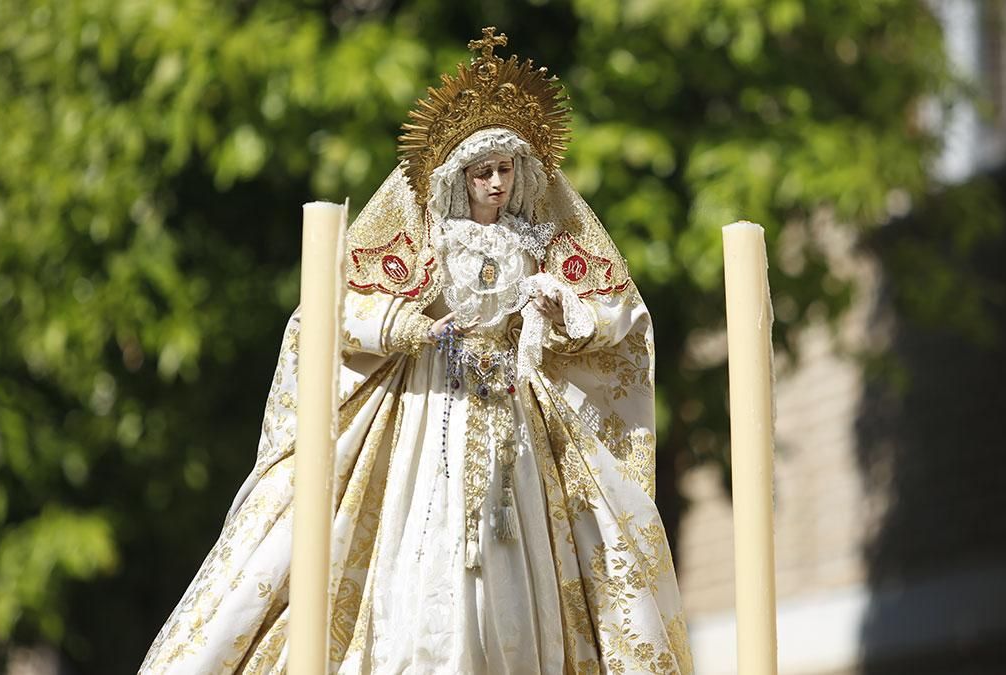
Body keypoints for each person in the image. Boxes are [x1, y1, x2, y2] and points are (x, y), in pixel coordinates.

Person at [141, 27, 693, 674]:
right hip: (434, 399)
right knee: (431, 534)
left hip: (513, 403)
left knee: (517, 549)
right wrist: (409, 327)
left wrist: (557, 310)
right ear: (459, 177)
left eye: (505, 169)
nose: (495, 182)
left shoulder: (533, 241)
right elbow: (337, 311)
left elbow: (608, 309)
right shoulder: (430, 243)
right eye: (483, 171)